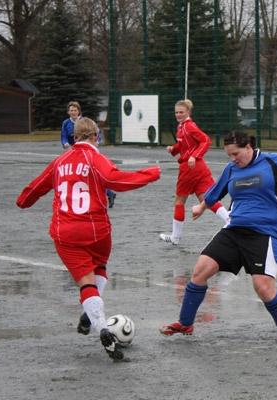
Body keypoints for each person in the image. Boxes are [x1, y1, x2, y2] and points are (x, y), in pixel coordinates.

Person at [17, 117, 160, 360]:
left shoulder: (59, 161)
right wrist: (151, 173)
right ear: (96, 136)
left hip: (66, 233)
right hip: (97, 230)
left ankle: (101, 326)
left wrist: (23, 201)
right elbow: (116, 180)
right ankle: (92, 315)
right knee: (99, 268)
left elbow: (37, 187)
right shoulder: (96, 158)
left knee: (86, 282)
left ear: (74, 137)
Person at [159, 131, 277, 343]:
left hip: (265, 232)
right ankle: (185, 323)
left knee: (262, 286)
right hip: (234, 229)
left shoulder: (271, 161)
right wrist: (201, 206)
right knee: (200, 270)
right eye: (229, 155)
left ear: (248, 147)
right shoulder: (231, 169)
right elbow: (215, 191)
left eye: (236, 153)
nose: (233, 159)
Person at [159, 99, 229, 246]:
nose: (178, 114)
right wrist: (174, 148)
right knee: (208, 199)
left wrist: (193, 156)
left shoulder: (188, 126)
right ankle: (231, 221)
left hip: (189, 168)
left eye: (181, 112)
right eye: (176, 112)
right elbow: (185, 144)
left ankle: (175, 238)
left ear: (188, 112)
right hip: (199, 167)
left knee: (179, 201)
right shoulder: (182, 126)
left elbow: (205, 140)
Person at [61, 101, 117, 208]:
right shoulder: (66, 123)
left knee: (93, 173)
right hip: (74, 152)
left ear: (79, 111)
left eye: (75, 110)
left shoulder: (86, 121)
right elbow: (63, 137)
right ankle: (77, 195)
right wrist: (66, 144)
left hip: (87, 150)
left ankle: (107, 193)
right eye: (71, 110)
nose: (73, 112)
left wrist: (96, 142)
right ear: (68, 112)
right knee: (76, 174)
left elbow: (97, 132)